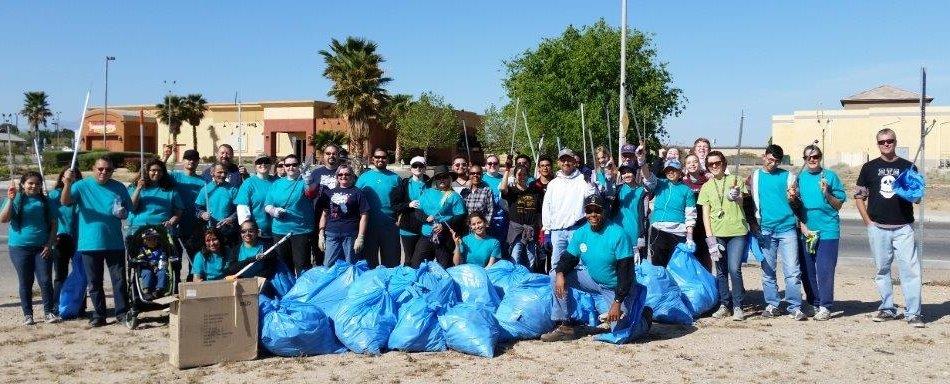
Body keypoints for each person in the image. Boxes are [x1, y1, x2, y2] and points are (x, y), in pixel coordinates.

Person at [540, 194, 650, 342]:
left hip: (616, 287)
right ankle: (565, 324)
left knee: (620, 333)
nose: (593, 214)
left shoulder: (618, 234)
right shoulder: (581, 232)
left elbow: (627, 273)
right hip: (593, 280)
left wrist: (617, 302)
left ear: (605, 211)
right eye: (589, 210)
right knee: (555, 275)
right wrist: (560, 274)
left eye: (597, 210)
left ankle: (644, 319)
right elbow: (568, 259)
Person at [855, 128, 924, 327]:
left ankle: (913, 313)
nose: (886, 144)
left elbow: (918, 198)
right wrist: (868, 223)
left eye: (890, 140)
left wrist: (912, 187)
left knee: (910, 271)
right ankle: (887, 308)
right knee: (882, 270)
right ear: (878, 144)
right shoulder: (869, 167)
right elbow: (859, 197)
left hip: (904, 228)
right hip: (878, 227)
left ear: (895, 141)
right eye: (882, 141)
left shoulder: (908, 166)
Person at [60, 157, 132, 327]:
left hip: (114, 242)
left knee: (119, 280)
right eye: (100, 169)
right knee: (94, 283)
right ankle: (99, 315)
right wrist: (67, 183)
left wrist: (122, 212)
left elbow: (128, 211)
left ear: (113, 170)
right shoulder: (81, 186)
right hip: (89, 243)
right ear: (93, 169)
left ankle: (122, 313)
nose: (103, 172)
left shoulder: (119, 187)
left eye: (108, 169)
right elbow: (65, 201)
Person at [746, 144, 805, 320]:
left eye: (777, 161)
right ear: (764, 157)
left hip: (787, 228)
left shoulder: (789, 177)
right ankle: (772, 304)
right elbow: (748, 202)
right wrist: (752, 224)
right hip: (765, 229)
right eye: (770, 160)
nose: (773, 164)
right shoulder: (754, 177)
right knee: (767, 270)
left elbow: (798, 205)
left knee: (792, 270)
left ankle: (794, 306)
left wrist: (793, 198)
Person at [2, 171, 59, 325]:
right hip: (19, 247)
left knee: (45, 280)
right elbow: (3, 219)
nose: (34, 186)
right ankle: (28, 315)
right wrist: (9, 199)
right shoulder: (15, 198)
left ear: (41, 185)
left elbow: (54, 225)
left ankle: (49, 312)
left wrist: (49, 243)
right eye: (30, 183)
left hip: (42, 247)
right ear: (23, 184)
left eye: (37, 184)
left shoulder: (46, 201)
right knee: (25, 281)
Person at [698, 151, 749, 321]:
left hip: (737, 232)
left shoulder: (736, 180)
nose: (714, 166)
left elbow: (743, 201)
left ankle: (738, 306)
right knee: (720, 271)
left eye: (717, 163)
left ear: (724, 163)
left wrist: (737, 196)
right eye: (710, 164)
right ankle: (724, 305)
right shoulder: (706, 187)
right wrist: (710, 237)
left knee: (734, 269)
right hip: (717, 234)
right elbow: (706, 214)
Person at [797, 145, 846, 321]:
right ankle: (814, 302)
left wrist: (827, 193)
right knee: (807, 269)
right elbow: (795, 206)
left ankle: (826, 305)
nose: (812, 159)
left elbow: (838, 204)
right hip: (807, 230)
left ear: (820, 157)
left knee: (824, 268)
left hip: (828, 230)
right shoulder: (799, 179)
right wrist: (802, 226)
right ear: (804, 159)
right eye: (808, 157)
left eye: (815, 156)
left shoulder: (830, 176)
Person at [642, 146, 697, 267]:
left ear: (680, 171)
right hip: (658, 231)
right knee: (658, 267)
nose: (670, 172)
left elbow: (690, 215)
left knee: (676, 268)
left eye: (674, 169)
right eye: (668, 170)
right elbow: (648, 176)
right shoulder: (660, 183)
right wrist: (642, 161)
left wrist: (690, 237)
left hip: (678, 234)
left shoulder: (687, 190)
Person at [265, 154, 319, 275]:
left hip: (301, 231)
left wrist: (308, 181)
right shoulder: (276, 184)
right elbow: (267, 204)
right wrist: (273, 211)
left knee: (302, 267)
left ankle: (301, 292)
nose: (291, 167)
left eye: (294, 165)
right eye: (287, 165)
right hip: (279, 231)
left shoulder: (304, 182)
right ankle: (286, 292)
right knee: (284, 267)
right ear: (283, 167)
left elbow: (311, 194)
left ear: (299, 166)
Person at [541, 148, 593, 274]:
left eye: (568, 160)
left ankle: (580, 293)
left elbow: (592, 198)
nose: (566, 163)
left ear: (574, 161)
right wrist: (547, 232)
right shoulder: (553, 184)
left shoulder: (583, 180)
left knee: (580, 265)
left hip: (577, 230)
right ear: (558, 163)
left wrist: (590, 181)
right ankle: (556, 293)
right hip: (557, 232)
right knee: (556, 266)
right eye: (563, 160)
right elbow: (546, 208)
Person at [354, 149, 402, 267]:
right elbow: (355, 199)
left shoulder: (395, 178)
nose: (380, 159)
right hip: (368, 226)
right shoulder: (363, 177)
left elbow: (402, 201)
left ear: (387, 159)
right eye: (377, 157)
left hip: (390, 226)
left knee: (392, 263)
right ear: (373, 159)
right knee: (368, 264)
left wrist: (400, 219)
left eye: (383, 157)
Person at [411, 167, 466, 268]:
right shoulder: (427, 193)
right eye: (438, 177)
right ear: (435, 179)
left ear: (449, 179)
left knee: (445, 269)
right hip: (426, 236)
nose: (442, 179)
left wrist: (443, 226)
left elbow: (460, 216)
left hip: (444, 238)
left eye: (444, 177)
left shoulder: (454, 196)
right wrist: (426, 218)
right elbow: (418, 210)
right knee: (416, 266)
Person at [317, 164, 369, 266]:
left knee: (350, 265)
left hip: (350, 234)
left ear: (352, 176)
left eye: (347, 174)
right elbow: (324, 214)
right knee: (328, 264)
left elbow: (364, 215)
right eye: (340, 174)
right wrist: (321, 234)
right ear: (337, 177)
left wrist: (361, 237)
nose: (343, 176)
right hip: (332, 233)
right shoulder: (329, 193)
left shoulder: (358, 193)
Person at [48, 168, 82, 314]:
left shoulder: (80, 194)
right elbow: (48, 217)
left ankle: (79, 306)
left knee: (80, 274)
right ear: (62, 177)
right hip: (60, 238)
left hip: (79, 238)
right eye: (67, 176)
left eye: (74, 176)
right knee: (60, 275)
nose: (70, 178)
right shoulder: (54, 195)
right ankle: (57, 306)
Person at [500, 165, 543, 269]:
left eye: (525, 174)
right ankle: (515, 281)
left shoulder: (535, 192)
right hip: (517, 230)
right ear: (515, 176)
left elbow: (540, 211)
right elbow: (502, 188)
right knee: (515, 257)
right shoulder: (511, 191)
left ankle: (530, 279)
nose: (522, 176)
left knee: (531, 258)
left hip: (531, 229)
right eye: (519, 174)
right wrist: (507, 170)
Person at [127, 159, 183, 236]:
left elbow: (178, 212)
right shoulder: (134, 188)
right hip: (138, 230)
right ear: (147, 171)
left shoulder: (170, 190)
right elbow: (132, 208)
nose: (157, 173)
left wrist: (171, 222)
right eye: (153, 170)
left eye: (160, 171)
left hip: (161, 231)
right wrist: (138, 189)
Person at [171, 149, 206, 268]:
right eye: (188, 158)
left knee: (194, 260)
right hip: (175, 225)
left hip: (194, 227)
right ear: (183, 160)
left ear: (198, 162)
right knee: (175, 261)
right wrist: (166, 157)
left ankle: (192, 284)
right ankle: (176, 285)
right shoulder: (174, 177)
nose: (191, 161)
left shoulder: (203, 182)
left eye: (194, 159)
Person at [395, 156, 430, 264]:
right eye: (415, 166)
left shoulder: (431, 184)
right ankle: (408, 280)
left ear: (425, 168)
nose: (418, 168)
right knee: (409, 259)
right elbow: (396, 205)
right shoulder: (404, 184)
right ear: (411, 168)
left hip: (426, 227)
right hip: (408, 227)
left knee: (423, 259)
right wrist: (408, 204)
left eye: (421, 166)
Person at [196, 163, 239, 244]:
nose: (223, 175)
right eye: (219, 172)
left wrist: (231, 218)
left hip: (227, 231)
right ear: (212, 173)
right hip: (211, 231)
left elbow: (239, 209)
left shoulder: (233, 189)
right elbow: (197, 209)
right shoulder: (205, 189)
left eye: (225, 173)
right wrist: (202, 214)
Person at [236, 155, 276, 241]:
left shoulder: (277, 182)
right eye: (259, 162)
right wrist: (249, 231)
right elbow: (242, 209)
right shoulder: (248, 183)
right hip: (257, 235)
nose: (263, 164)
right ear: (255, 166)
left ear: (270, 165)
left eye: (266, 161)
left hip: (278, 233)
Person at [683, 154, 711, 271]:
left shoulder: (708, 180)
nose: (692, 164)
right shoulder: (682, 182)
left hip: (704, 225)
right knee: (689, 258)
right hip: (688, 226)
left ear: (699, 164)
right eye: (689, 162)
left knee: (704, 257)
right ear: (685, 166)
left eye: (695, 162)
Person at [613, 165, 647, 258]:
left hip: (634, 233)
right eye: (623, 173)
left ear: (634, 174)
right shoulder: (618, 189)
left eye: (629, 172)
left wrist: (641, 235)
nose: (626, 175)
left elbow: (644, 215)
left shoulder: (642, 191)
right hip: (618, 232)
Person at [134, 229, 169, 300]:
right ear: (145, 241)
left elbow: (163, 258)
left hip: (159, 267)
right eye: (149, 239)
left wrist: (160, 265)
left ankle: (159, 290)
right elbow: (139, 259)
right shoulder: (143, 250)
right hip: (147, 267)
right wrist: (147, 263)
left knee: (162, 273)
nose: (152, 241)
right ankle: (147, 291)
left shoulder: (161, 249)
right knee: (147, 272)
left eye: (154, 239)